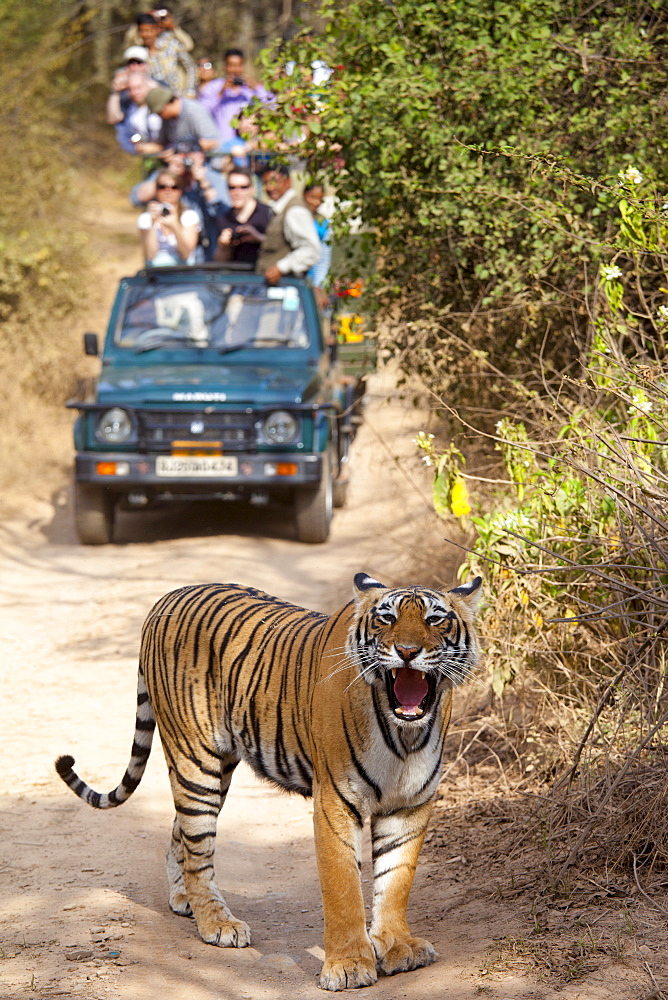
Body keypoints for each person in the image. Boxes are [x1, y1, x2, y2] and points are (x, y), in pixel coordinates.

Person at [256, 164, 321, 284]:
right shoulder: (278, 209)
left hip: (286, 288)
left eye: (274, 182)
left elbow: (310, 250)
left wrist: (281, 268)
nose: (270, 188)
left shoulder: (295, 210)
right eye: (266, 183)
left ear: (288, 182)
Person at [197, 48, 271, 147]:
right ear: (225, 66)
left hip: (248, 148)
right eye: (231, 65)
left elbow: (272, 107)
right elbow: (202, 113)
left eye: (238, 66)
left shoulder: (250, 90)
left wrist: (257, 88)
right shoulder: (213, 87)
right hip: (221, 147)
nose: (235, 70)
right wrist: (221, 93)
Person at [137, 171, 200, 266]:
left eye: (174, 187)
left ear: (180, 191)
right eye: (162, 187)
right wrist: (152, 223)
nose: (168, 191)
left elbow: (186, 254)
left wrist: (174, 226)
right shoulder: (145, 218)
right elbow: (150, 256)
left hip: (183, 272)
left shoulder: (189, 216)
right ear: (156, 190)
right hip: (156, 274)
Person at [214, 168, 272, 266]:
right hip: (236, 278)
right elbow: (220, 263)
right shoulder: (223, 219)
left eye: (243, 187)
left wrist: (258, 237)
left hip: (262, 276)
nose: (237, 192)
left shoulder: (267, 213)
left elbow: (280, 249)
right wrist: (223, 246)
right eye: (232, 187)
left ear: (252, 188)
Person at [141, 86, 219, 154]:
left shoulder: (194, 111)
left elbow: (212, 142)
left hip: (208, 164)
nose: (159, 116)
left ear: (168, 104)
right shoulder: (167, 118)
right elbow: (163, 143)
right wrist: (149, 148)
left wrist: (178, 150)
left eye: (160, 112)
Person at [134, 13, 196, 98]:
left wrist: (189, 91)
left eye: (149, 31)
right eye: (142, 31)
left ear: (156, 30)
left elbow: (190, 67)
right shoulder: (139, 54)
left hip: (177, 97)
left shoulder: (171, 45)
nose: (146, 35)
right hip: (154, 99)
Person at [303, 182, 332, 296]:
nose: (316, 202)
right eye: (312, 197)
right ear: (304, 195)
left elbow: (324, 256)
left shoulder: (323, 223)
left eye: (320, 199)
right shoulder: (294, 216)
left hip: (313, 281)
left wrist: (318, 285)